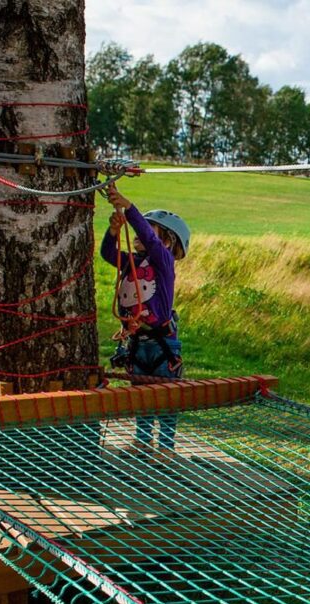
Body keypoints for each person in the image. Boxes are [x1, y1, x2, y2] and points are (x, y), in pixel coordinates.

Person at [101, 184, 190, 453]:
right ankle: (142, 440)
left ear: (168, 241)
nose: (142, 234)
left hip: (162, 345)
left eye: (150, 230)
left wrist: (129, 209)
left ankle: (165, 447)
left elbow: (150, 242)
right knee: (141, 397)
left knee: (165, 398)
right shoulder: (132, 261)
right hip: (138, 343)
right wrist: (114, 231)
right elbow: (108, 253)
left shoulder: (163, 263)